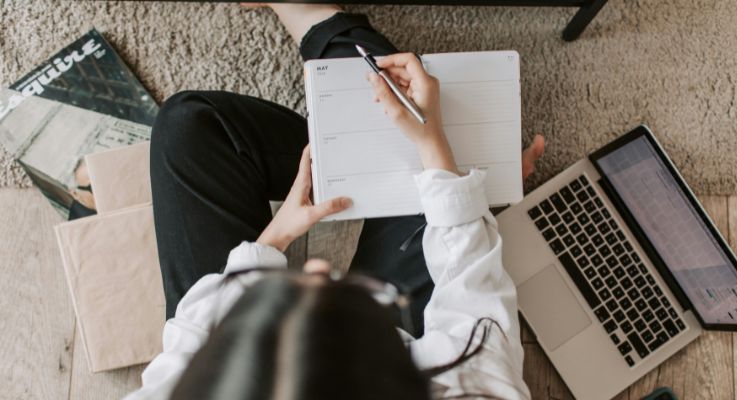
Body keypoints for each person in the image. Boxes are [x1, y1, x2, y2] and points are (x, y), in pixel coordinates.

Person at [125, 4, 546, 400]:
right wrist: (435, 146)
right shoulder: (472, 385)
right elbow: (473, 297)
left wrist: (276, 236)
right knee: (437, 165)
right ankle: (312, 15)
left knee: (189, 126)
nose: (318, 265)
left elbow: (193, 338)